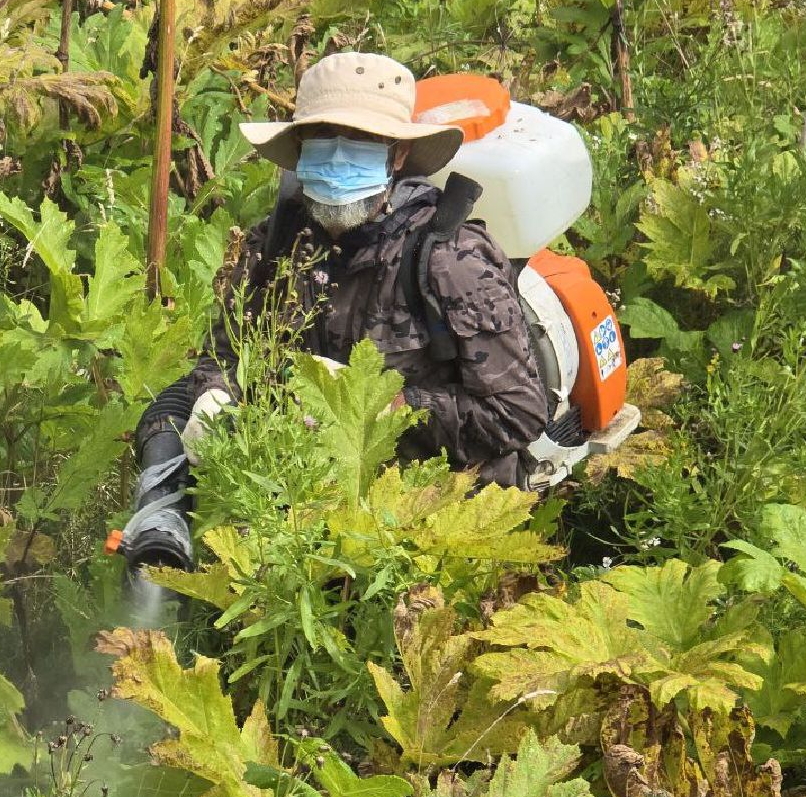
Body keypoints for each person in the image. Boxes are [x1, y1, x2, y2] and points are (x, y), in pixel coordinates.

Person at [119, 52, 548, 573]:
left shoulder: (447, 261)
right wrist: (215, 393)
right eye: (322, 144)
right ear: (299, 153)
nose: (338, 162)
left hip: (432, 504)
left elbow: (519, 414)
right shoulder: (277, 246)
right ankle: (162, 539)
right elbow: (225, 351)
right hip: (309, 488)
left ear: (395, 156)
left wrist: (379, 405)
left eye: (359, 144)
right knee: (170, 411)